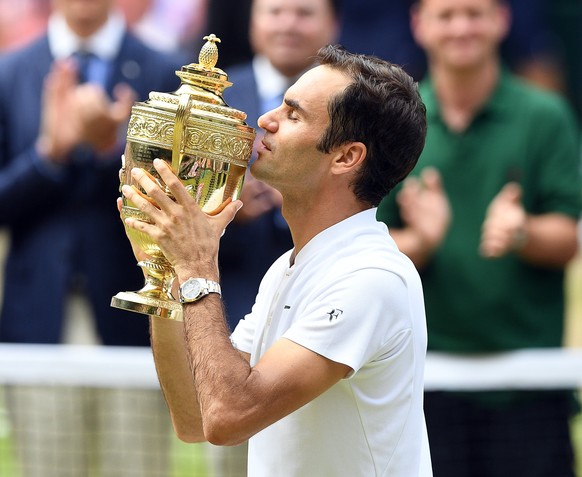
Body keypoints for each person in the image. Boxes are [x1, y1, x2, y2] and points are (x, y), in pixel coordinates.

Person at [120, 44, 432, 476]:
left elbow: (229, 415)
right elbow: (196, 417)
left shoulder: (371, 279)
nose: (266, 120)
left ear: (346, 157)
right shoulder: (289, 267)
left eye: (293, 114)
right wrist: (169, 270)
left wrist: (197, 268)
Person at [377, 0, 582, 476]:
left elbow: (568, 239)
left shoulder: (545, 115)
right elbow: (364, 246)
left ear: (502, 21)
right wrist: (422, 242)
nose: (461, 27)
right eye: (446, 15)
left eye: (475, 13)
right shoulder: (390, 121)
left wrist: (523, 232)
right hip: (421, 383)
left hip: (529, 387)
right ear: (419, 25)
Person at [0, 0, 187, 475]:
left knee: (137, 464)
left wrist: (112, 153)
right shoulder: (11, 72)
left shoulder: (165, 72)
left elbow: (178, 203)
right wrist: (50, 156)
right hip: (39, 314)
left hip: (133, 318)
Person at [220, 0, 340, 333]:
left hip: (325, 302)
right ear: (252, 21)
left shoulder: (354, 104)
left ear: (333, 24)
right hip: (226, 298)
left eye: (304, 13)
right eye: (275, 11)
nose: (288, 24)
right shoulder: (213, 96)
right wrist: (224, 200)